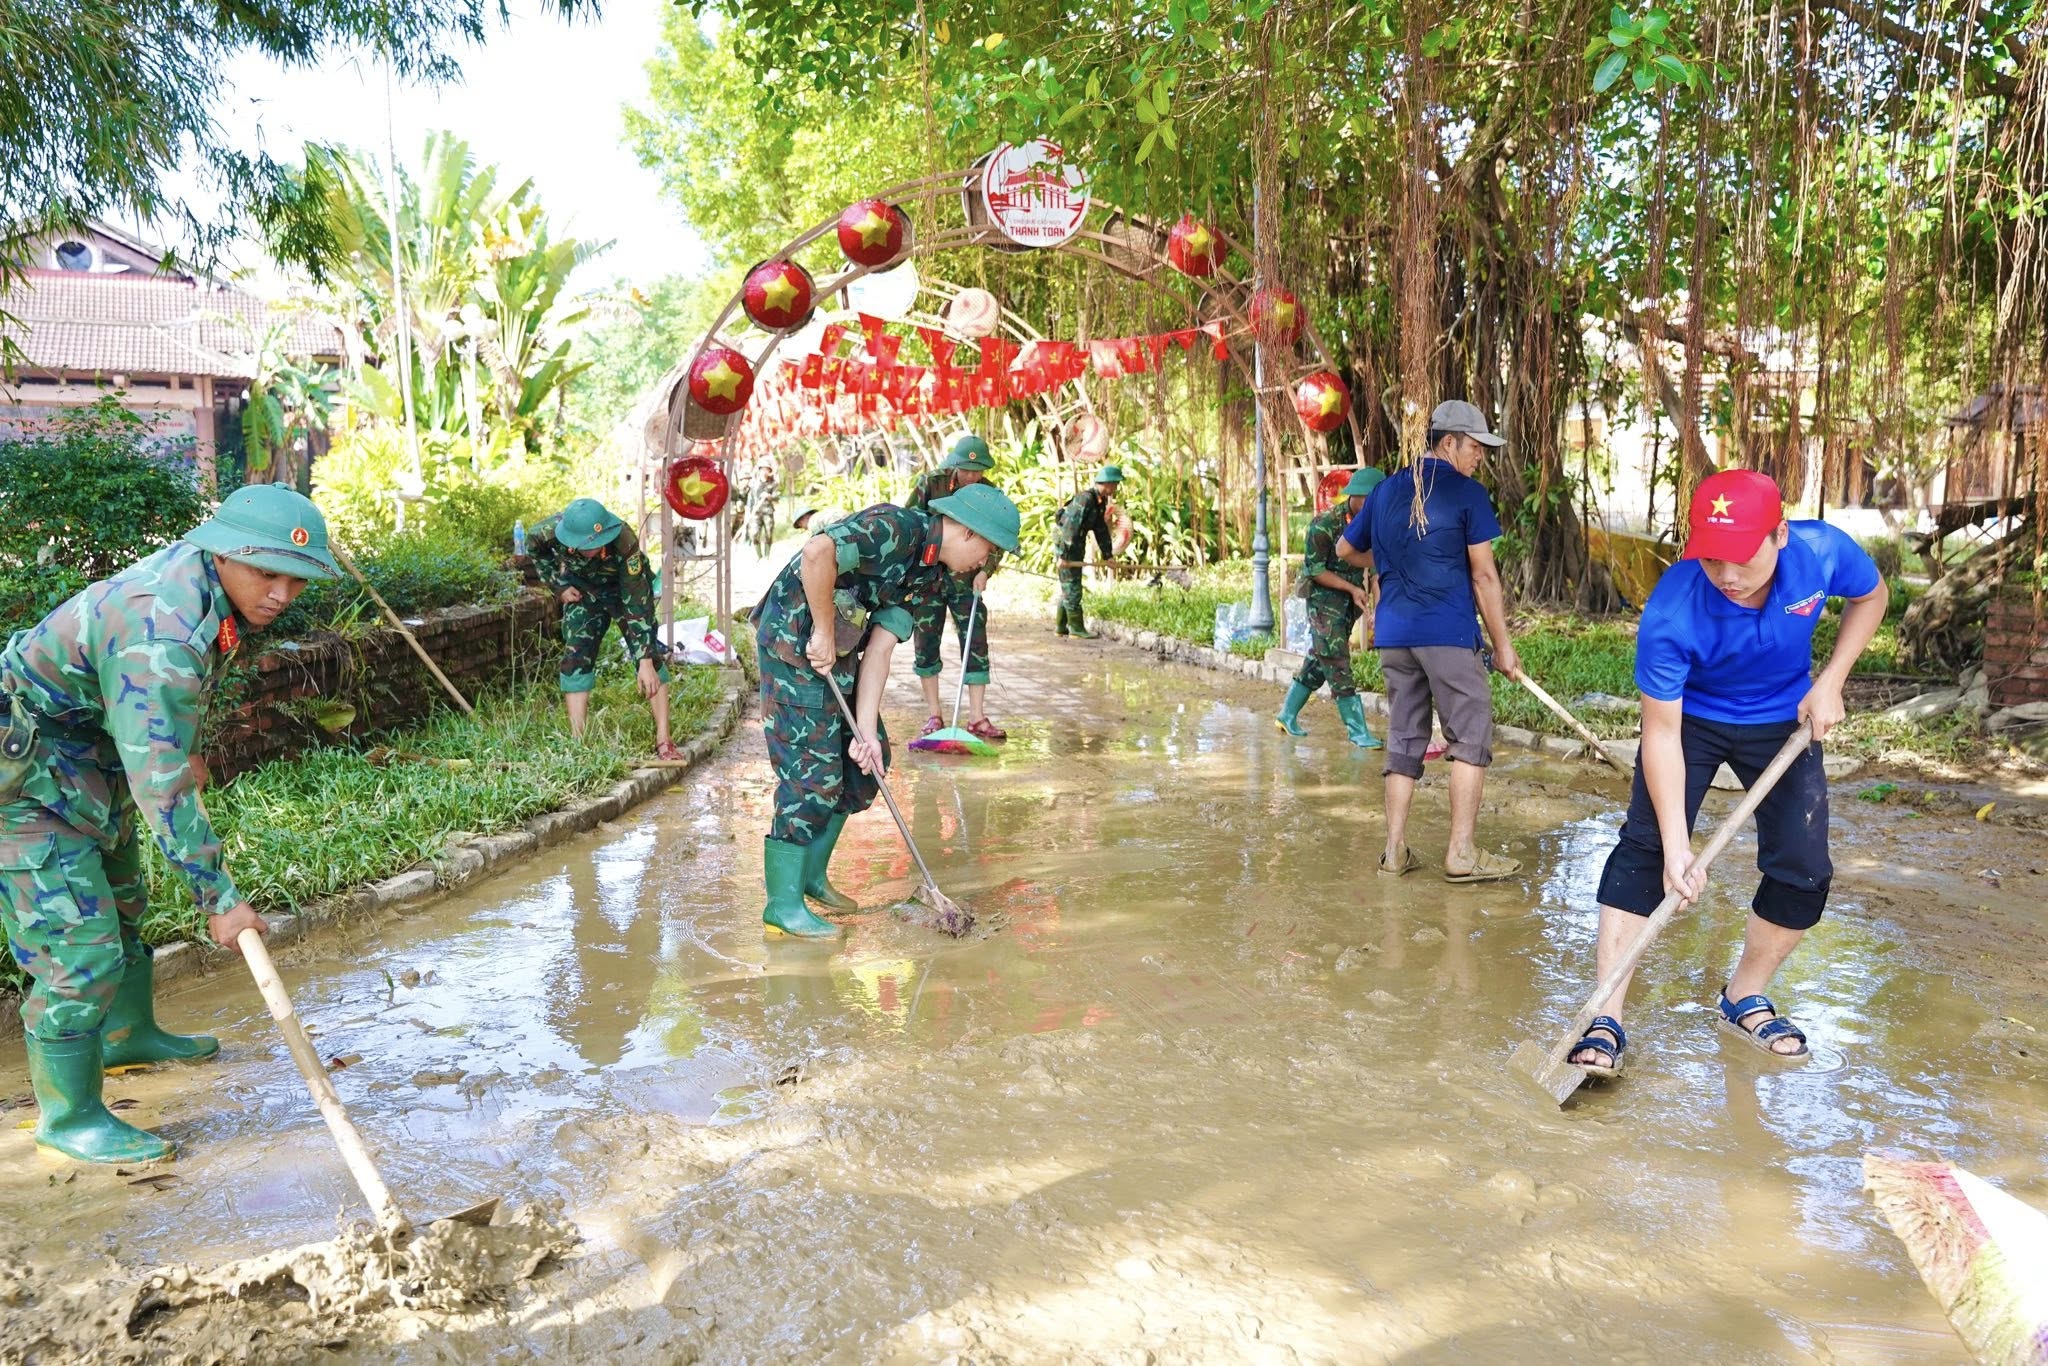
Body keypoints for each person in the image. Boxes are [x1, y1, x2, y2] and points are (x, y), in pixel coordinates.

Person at [0, 486, 334, 1163]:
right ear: (224, 550)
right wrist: (221, 900)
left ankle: (128, 1037)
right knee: (77, 946)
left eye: (295, 578)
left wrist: (186, 748)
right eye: (266, 571)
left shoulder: (207, 588)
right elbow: (161, 784)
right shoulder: (166, 625)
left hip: (84, 753)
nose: (281, 592)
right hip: (23, 776)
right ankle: (68, 1119)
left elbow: (158, 721)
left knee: (124, 900)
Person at [1565, 470, 1888, 1075]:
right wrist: (1675, 848)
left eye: (1741, 558)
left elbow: (1872, 596)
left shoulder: (1820, 552)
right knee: (1642, 851)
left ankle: (1745, 994)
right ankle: (1603, 1015)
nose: (1728, 577)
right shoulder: (1673, 608)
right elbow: (1661, 734)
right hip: (1694, 720)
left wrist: (1833, 679)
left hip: (1784, 718)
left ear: (1781, 534)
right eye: (1712, 559)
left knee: (1804, 867)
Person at [751, 483, 1021, 938]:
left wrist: (867, 731)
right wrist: (820, 630)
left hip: (841, 649)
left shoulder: (930, 574)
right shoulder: (896, 528)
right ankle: (782, 905)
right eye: (990, 553)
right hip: (795, 645)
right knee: (812, 777)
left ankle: (812, 876)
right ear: (971, 534)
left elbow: (879, 650)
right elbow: (818, 552)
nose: (984, 565)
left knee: (865, 766)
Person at [1340, 399, 1521, 883]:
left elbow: (1346, 549)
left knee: (1404, 737)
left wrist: (1389, 561)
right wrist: (1503, 646)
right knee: (1470, 735)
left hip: (1395, 636)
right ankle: (1461, 853)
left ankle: (1394, 852)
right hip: (1447, 634)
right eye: (1475, 447)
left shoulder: (1385, 491)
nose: (1480, 456)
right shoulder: (1467, 493)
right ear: (1448, 442)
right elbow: (1484, 577)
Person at [529, 497, 682, 761]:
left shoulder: (623, 541)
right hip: (584, 592)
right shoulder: (551, 531)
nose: (588, 550)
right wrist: (559, 585)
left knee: (650, 660)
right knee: (575, 656)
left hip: (624, 592)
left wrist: (644, 659)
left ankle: (664, 740)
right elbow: (534, 547)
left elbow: (637, 601)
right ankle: (579, 743)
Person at [1277, 466, 1385, 748]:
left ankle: (1287, 715)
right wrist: (1352, 589)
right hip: (1323, 601)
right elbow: (1314, 570)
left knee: (1319, 656)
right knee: (1336, 658)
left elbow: (1376, 569)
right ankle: (1357, 730)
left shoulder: (1374, 525)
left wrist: (1378, 607)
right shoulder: (1324, 524)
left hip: (1349, 603)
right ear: (1358, 497)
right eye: (1375, 499)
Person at [908, 434, 1005, 742]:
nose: (971, 476)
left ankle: (977, 718)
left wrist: (986, 571)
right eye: (965, 470)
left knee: (976, 643)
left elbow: (999, 537)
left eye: (977, 471)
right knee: (925, 643)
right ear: (954, 466)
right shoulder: (931, 484)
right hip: (930, 580)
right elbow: (911, 522)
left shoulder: (990, 494)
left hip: (968, 579)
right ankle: (934, 715)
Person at [1052, 464, 1131, 639]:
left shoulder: (1099, 502)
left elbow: (1100, 530)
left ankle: (1061, 627)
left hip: (1076, 543)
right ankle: (1076, 628)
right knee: (1072, 585)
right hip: (1066, 543)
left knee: (1069, 585)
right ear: (1108, 484)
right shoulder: (1085, 499)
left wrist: (1108, 556)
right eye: (1115, 484)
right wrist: (1063, 556)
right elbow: (1069, 527)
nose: (1116, 488)